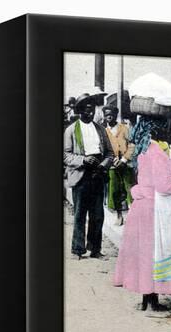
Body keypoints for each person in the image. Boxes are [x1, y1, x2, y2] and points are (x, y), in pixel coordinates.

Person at [113, 115, 171, 311]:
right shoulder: (157, 154)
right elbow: (163, 186)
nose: (167, 131)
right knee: (154, 253)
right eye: (164, 128)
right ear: (156, 130)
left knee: (143, 253)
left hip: (140, 207)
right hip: (152, 210)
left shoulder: (142, 150)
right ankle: (153, 301)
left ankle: (147, 298)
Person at [64, 93, 114, 259]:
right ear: (80, 111)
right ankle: (78, 250)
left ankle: (95, 249)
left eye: (92, 110)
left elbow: (109, 153)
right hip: (81, 175)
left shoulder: (100, 129)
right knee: (79, 214)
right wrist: (84, 160)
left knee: (97, 214)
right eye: (86, 110)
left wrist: (103, 165)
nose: (90, 113)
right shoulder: (71, 130)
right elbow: (65, 155)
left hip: (97, 174)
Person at [102, 106, 135, 226]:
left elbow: (132, 144)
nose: (109, 117)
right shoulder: (104, 131)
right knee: (115, 191)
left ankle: (133, 216)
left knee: (130, 189)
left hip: (126, 164)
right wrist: (111, 159)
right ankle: (119, 216)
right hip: (112, 165)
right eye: (106, 115)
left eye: (111, 114)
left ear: (116, 115)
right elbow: (103, 149)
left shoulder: (124, 129)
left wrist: (124, 159)